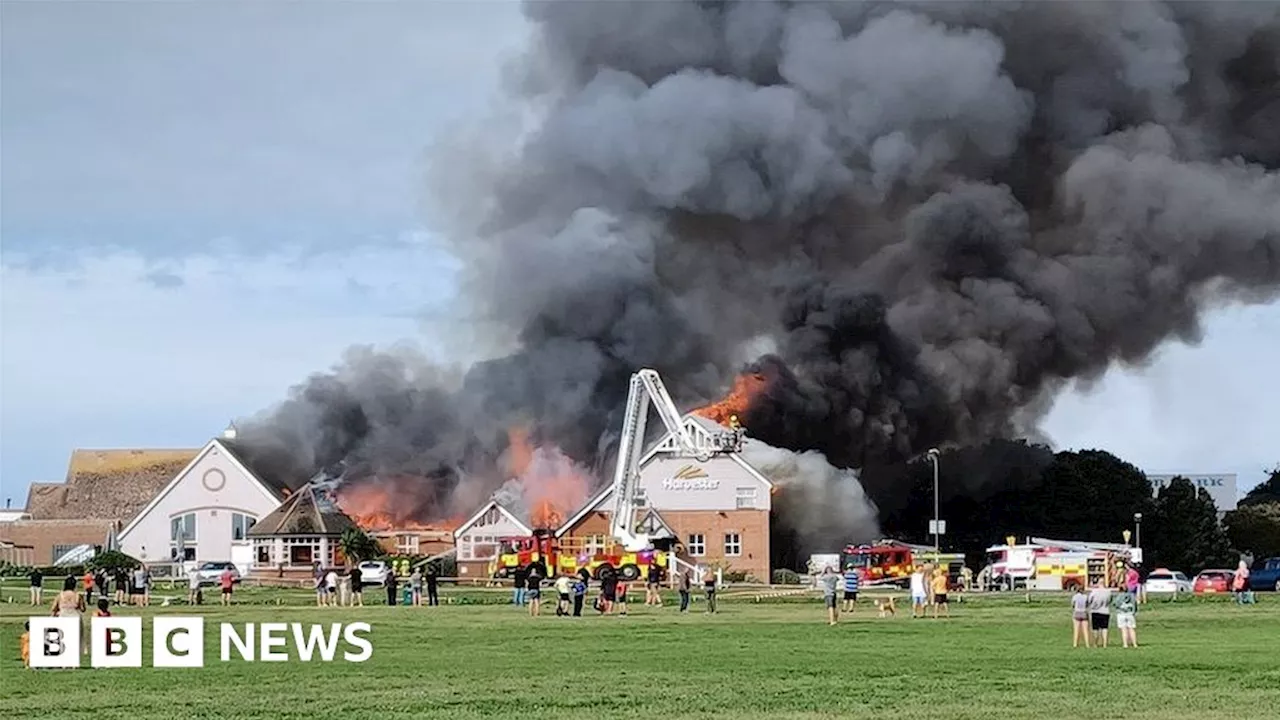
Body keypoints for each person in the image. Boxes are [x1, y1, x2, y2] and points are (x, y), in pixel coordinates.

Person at [51, 576, 87, 656]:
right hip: (75, 616)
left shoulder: (60, 595)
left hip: (63, 616)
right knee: (75, 639)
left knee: (63, 638)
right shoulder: (78, 595)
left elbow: (54, 608)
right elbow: (83, 609)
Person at [1086, 579, 1113, 648]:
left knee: (1095, 628)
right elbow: (1110, 600)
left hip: (1095, 611)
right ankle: (1105, 644)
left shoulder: (1094, 592)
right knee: (1105, 628)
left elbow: (1089, 600)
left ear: (1098, 583)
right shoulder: (1108, 592)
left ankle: (1095, 643)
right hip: (1105, 611)